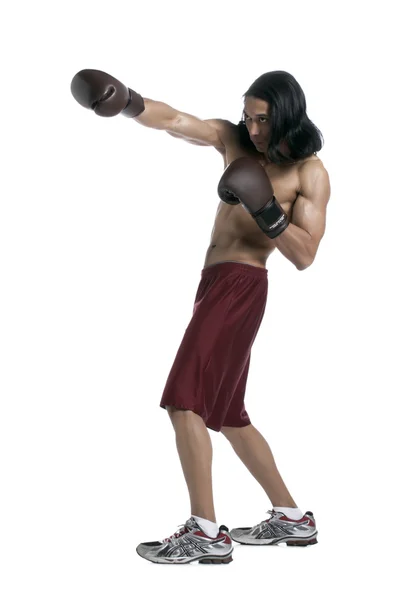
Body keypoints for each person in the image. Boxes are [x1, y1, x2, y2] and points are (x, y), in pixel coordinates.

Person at [70, 69, 331, 565]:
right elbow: (176, 121)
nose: (252, 130)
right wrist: (127, 101)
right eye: (248, 117)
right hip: (212, 284)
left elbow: (305, 255)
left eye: (263, 120)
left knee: (184, 400)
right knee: (229, 415)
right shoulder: (234, 140)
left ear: (288, 115)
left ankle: (206, 531)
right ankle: (292, 518)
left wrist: (266, 208)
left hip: (242, 284)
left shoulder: (309, 172)